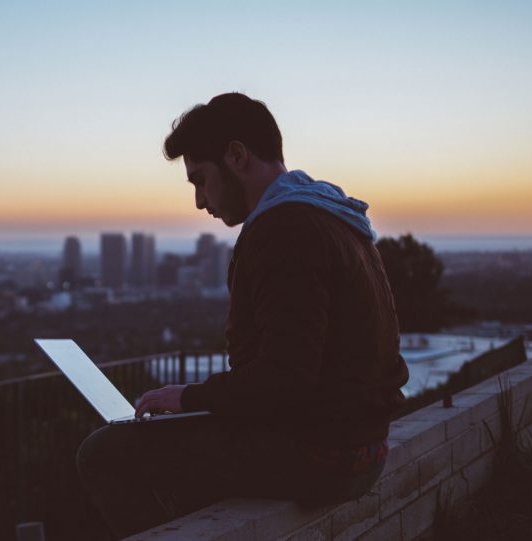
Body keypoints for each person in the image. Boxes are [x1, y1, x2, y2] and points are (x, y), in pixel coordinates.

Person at [75, 93, 410, 539]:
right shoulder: (335, 218)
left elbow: (286, 377)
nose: (199, 201)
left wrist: (188, 399)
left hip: (323, 456)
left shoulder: (283, 229)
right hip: (363, 446)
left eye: (200, 180)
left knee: (103, 454)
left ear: (236, 156)